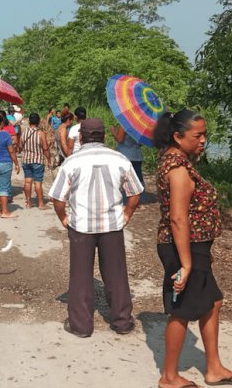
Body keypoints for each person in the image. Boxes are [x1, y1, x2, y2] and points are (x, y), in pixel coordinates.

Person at [153, 109, 232, 387]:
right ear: (177, 136)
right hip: (184, 247)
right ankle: (169, 376)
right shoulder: (178, 167)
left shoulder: (177, 159)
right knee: (181, 309)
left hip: (194, 245)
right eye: (197, 135)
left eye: (205, 134)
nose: (203, 140)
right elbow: (178, 217)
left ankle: (214, 367)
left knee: (213, 302)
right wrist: (186, 264)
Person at [49, 118, 142, 339]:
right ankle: (122, 322)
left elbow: (58, 199)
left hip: (81, 226)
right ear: (104, 137)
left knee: (81, 275)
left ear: (81, 137)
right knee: (116, 274)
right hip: (112, 225)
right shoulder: (119, 159)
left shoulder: (72, 162)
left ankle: (81, 326)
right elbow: (135, 193)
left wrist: (63, 218)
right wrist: (126, 214)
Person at [18, 113, 50, 209]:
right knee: (37, 182)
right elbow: (45, 148)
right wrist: (48, 159)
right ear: (38, 121)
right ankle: (40, 204)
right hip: (37, 161)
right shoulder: (41, 133)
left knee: (28, 181)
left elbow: (20, 147)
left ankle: (28, 203)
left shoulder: (24, 132)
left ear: (29, 121)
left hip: (26, 160)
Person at [111, 125, 145, 201]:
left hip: (125, 155)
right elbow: (140, 143)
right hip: (137, 155)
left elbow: (119, 139)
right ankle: (140, 198)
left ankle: (126, 199)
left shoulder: (124, 125)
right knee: (138, 178)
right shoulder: (139, 126)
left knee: (123, 179)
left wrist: (113, 131)